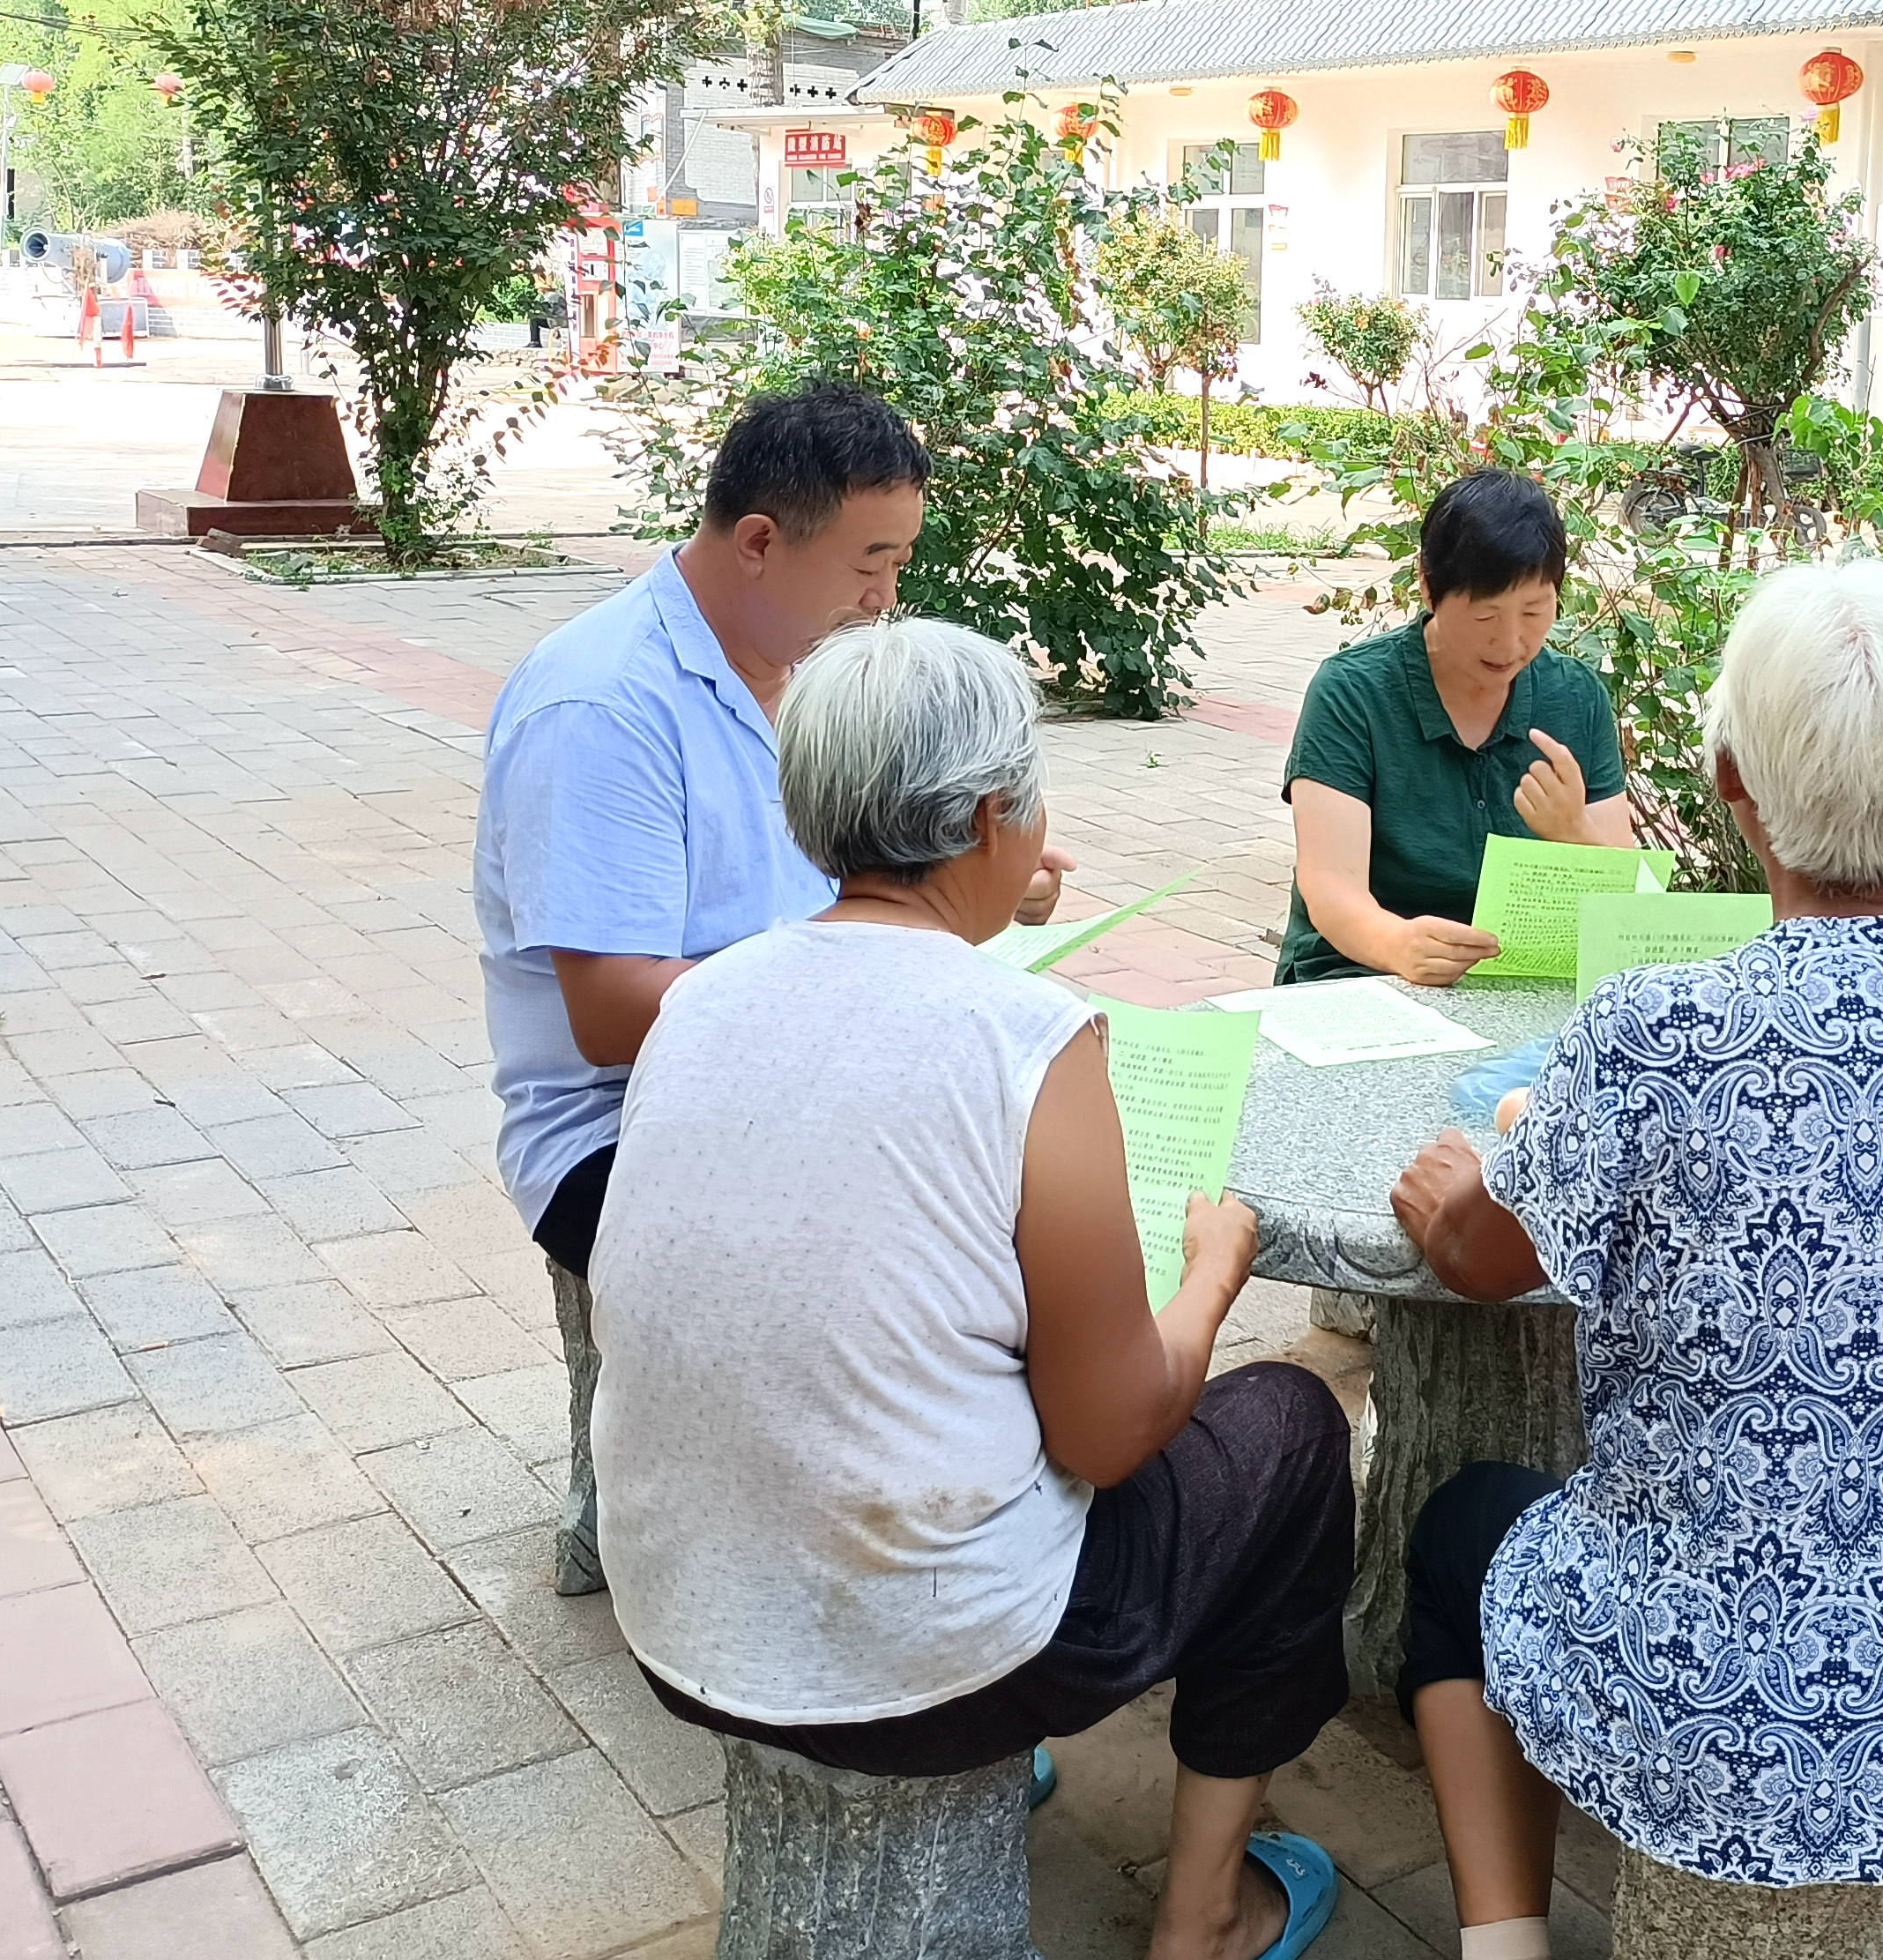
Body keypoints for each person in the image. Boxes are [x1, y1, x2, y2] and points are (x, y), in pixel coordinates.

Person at [1383, 563, 1883, 1960]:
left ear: (1730, 784)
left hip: (1718, 1705)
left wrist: (1463, 1190)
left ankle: (1503, 1945)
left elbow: (1478, 1259)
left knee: (1466, 1523)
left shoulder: (1656, 1033)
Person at [591, 617, 1350, 1960]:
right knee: (1287, 1430)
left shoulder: (698, 1002)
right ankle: (1204, 1915)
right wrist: (1214, 1274)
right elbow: (1110, 1434)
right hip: (917, 1663)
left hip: (681, 1620)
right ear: (995, 814)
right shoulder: (1029, 1037)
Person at [473, 380, 1067, 1586]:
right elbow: (610, 1012)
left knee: (1046, 1183)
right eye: (869, 563)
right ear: (758, 541)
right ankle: (896, 1552)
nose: (886, 597)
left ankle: (971, 1499)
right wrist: (869, 990)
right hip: (624, 1130)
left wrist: (978, 879)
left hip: (805, 1077)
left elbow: (849, 902)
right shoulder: (604, 705)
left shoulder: (800, 673)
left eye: (899, 562)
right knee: (962, 1237)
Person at [1278, 472, 1634, 986]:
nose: (1510, 643)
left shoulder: (1576, 697)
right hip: (1363, 970)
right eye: (1485, 617)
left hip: (1520, 980)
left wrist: (1573, 831)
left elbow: (1623, 902)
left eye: (1534, 611)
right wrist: (1397, 944)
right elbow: (1330, 884)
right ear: (1428, 588)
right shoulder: (1353, 692)